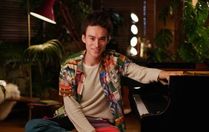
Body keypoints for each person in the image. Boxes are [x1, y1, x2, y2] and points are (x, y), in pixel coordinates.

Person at [25, 10, 183, 132]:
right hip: (73, 118)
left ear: (108, 40)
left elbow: (138, 71)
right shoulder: (69, 65)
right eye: (92, 38)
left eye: (102, 39)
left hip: (102, 121)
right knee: (33, 126)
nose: (96, 44)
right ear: (84, 38)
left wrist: (162, 74)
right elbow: (71, 106)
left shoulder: (114, 60)